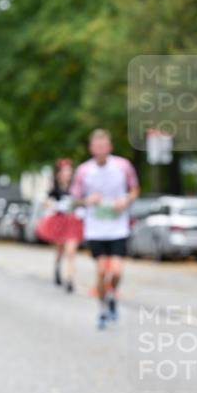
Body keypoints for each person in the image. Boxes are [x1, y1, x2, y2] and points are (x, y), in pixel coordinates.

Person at [71, 129, 139, 329]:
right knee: (101, 271)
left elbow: (134, 189)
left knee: (117, 271)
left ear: (109, 147)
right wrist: (86, 200)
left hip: (118, 227)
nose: (101, 149)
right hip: (96, 228)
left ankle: (111, 296)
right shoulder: (84, 170)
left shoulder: (123, 166)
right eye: (97, 146)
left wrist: (126, 200)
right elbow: (75, 200)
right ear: (91, 148)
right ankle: (102, 309)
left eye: (104, 145)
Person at [37, 158, 84, 293]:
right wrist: (52, 204)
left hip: (73, 221)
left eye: (69, 171)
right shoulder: (55, 188)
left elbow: (82, 200)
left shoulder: (76, 188)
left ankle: (69, 279)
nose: (67, 174)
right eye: (65, 171)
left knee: (71, 251)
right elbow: (46, 200)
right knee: (60, 249)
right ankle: (57, 267)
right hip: (60, 221)